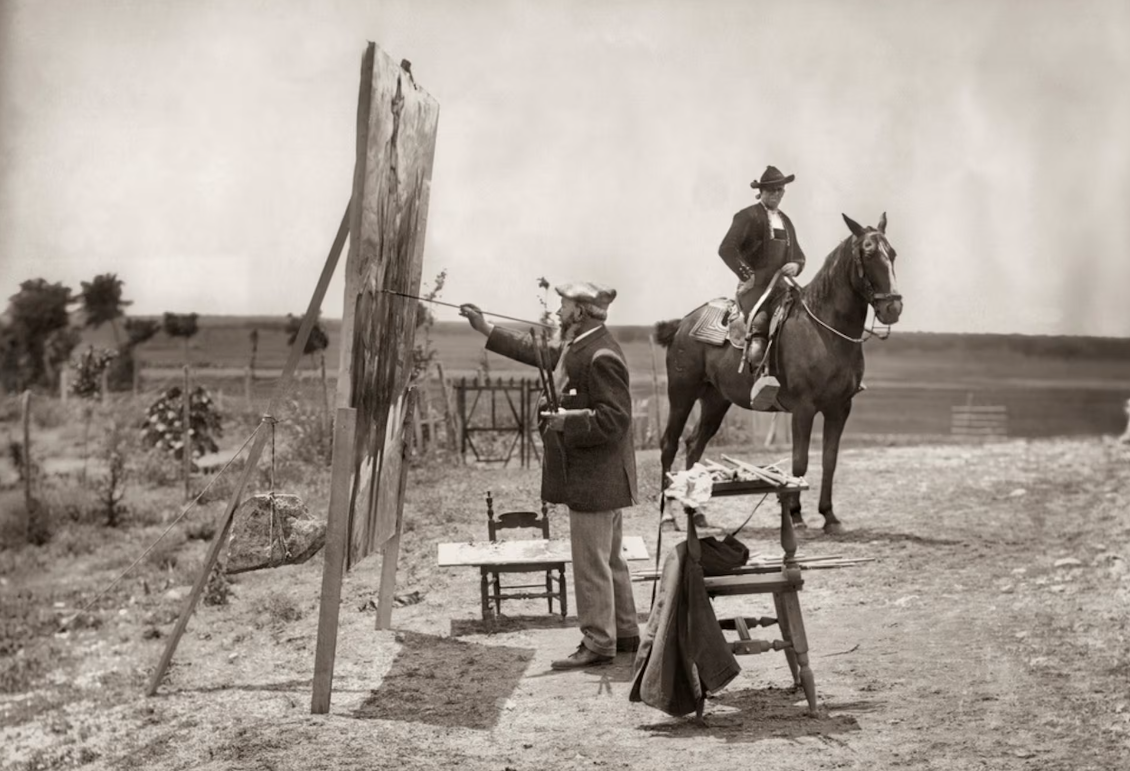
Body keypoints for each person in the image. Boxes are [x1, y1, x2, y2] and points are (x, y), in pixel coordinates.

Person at [459, 282, 640, 669]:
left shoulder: (601, 354)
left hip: (596, 479)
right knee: (610, 560)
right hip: (603, 478)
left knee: (592, 563)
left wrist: (566, 421)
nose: (557, 312)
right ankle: (625, 633)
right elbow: (539, 352)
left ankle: (597, 642)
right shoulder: (581, 346)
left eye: (563, 306)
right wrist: (485, 328)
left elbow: (616, 420)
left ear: (580, 312)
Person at [718, 165, 807, 368]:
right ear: (762, 192)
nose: (776, 194)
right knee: (760, 328)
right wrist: (747, 275)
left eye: (780, 190)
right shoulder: (746, 216)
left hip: (781, 289)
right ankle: (760, 381)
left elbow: (798, 255)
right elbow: (726, 249)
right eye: (771, 189)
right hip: (755, 290)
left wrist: (795, 264)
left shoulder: (786, 221)